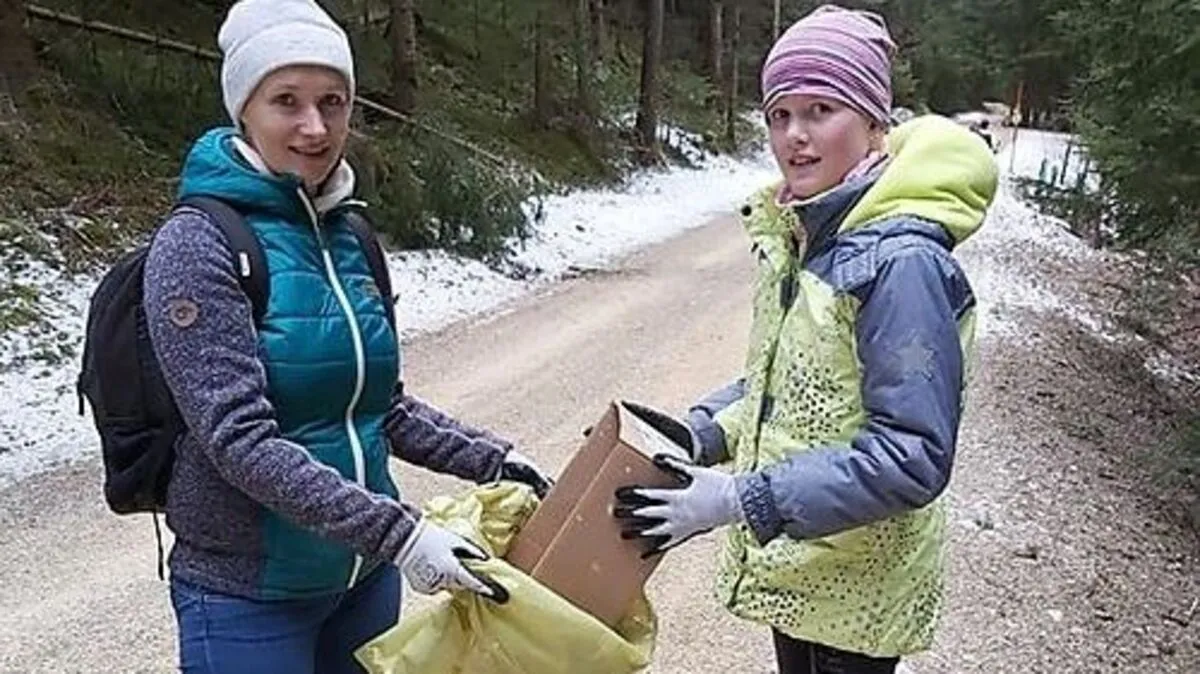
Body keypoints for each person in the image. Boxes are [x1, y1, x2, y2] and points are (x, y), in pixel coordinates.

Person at [143, 1, 553, 672]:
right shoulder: (199, 245)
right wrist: (403, 534)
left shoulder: (349, 234)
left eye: (333, 102)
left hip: (362, 583)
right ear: (242, 108)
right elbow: (237, 440)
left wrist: (494, 460)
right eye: (287, 101)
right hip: (250, 596)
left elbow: (380, 404)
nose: (315, 126)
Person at [614, 5, 997, 673]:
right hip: (806, 569)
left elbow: (912, 455)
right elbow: (787, 383)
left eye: (822, 110)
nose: (796, 136)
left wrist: (739, 498)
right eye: (779, 115)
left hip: (860, 584)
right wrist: (699, 433)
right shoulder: (812, 239)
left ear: (876, 123)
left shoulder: (901, 263)